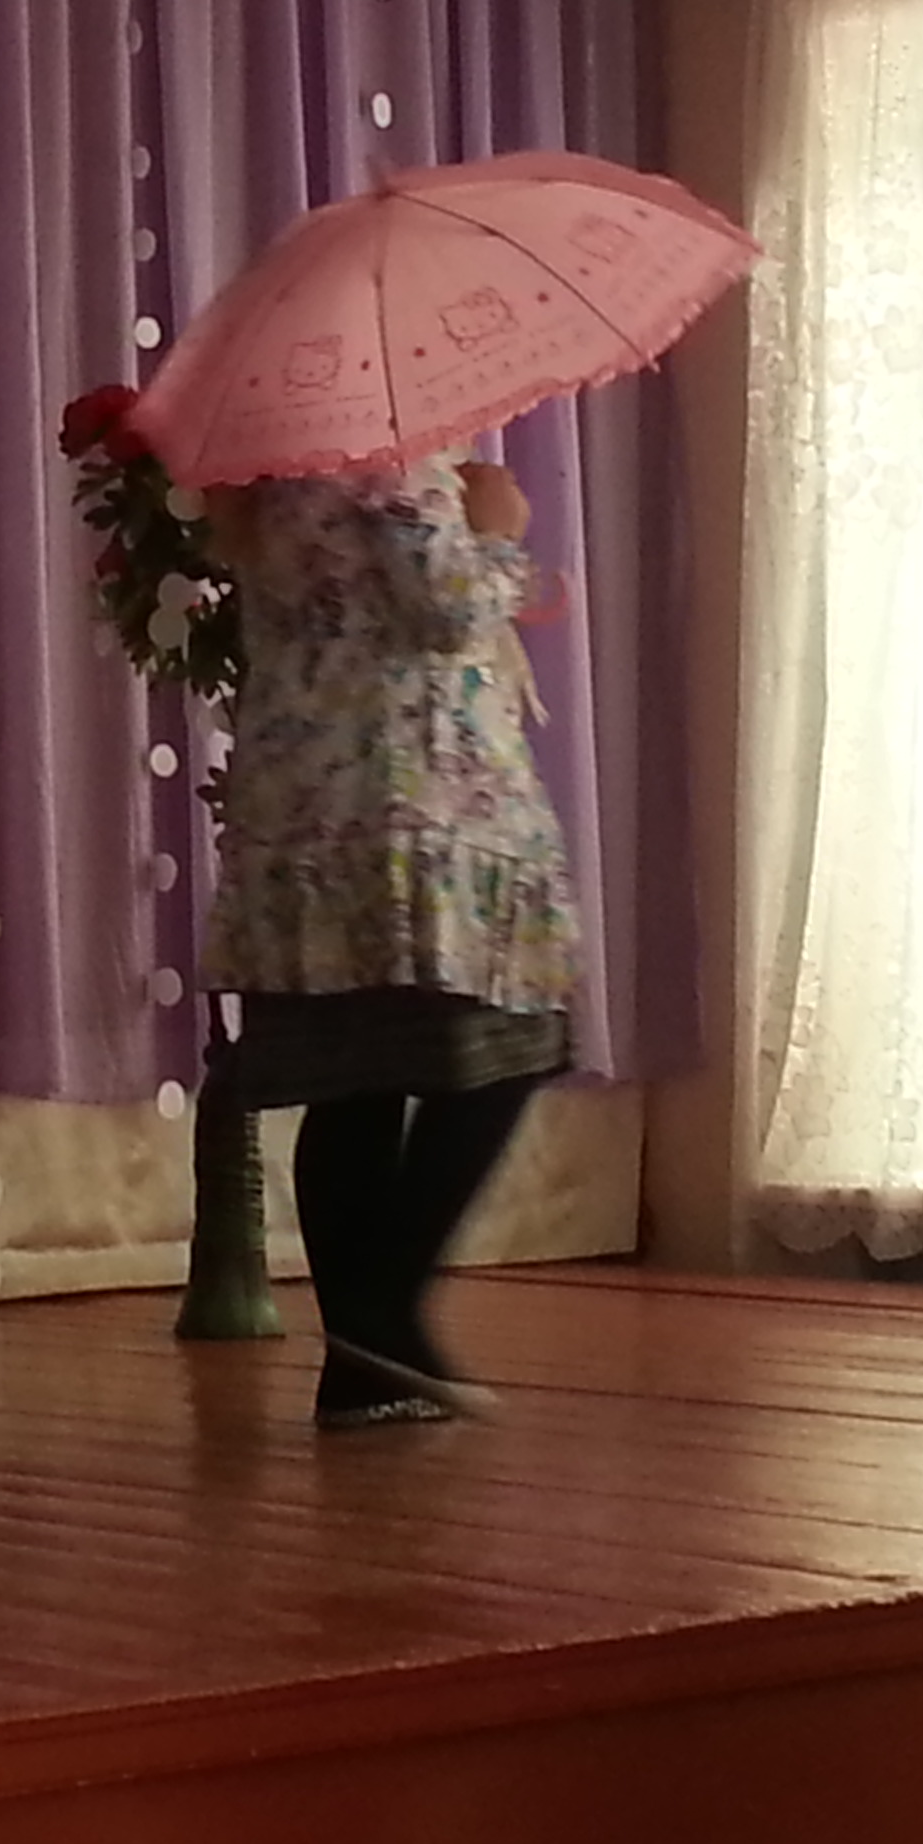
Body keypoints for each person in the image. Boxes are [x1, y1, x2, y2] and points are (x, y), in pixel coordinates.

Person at [201, 451, 576, 1430]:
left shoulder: (269, 480)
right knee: (512, 1043)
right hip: (419, 808)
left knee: (354, 1084)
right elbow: (449, 607)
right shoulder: (388, 459)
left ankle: (363, 1370)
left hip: (304, 815)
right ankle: (384, 1313)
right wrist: (498, 526)